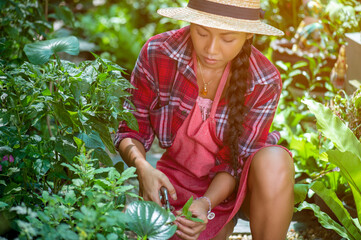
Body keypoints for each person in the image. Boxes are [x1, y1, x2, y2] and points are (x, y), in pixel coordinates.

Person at [115, 0, 295, 239]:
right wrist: (143, 169)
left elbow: (234, 161)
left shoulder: (263, 80)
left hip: (233, 186)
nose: (211, 49)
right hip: (175, 179)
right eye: (201, 32)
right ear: (191, 22)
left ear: (248, 34)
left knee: (275, 160)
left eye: (227, 39)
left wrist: (207, 202)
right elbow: (131, 130)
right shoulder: (159, 53)